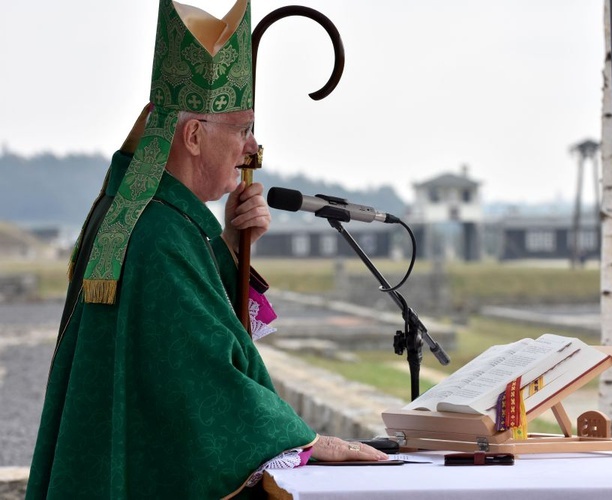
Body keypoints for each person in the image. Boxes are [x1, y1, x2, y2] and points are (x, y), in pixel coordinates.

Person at [26, 1, 386, 499]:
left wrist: (233, 250)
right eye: (242, 129)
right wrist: (303, 439)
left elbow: (188, 344)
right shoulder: (160, 236)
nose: (252, 149)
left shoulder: (145, 213)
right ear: (194, 135)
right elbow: (201, 375)